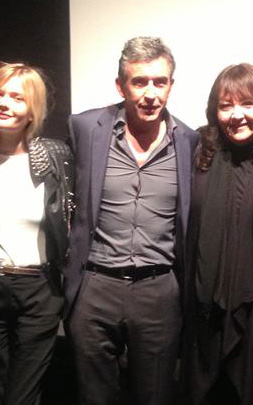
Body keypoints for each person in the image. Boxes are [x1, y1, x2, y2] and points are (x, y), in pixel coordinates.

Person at [63, 36, 200, 405]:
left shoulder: (190, 142)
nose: (151, 93)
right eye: (139, 82)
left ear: (172, 85)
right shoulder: (85, 128)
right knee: (93, 397)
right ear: (121, 85)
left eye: (160, 82)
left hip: (159, 290)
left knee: (155, 396)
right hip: (95, 287)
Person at [0, 62, 73, 405]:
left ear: (32, 109)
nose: (4, 103)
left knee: (22, 395)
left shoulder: (56, 156)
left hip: (39, 290)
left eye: (17, 98)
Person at [181, 63, 253, 405]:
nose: (237, 115)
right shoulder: (200, 152)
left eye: (248, 104)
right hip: (204, 312)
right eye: (226, 105)